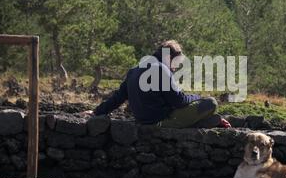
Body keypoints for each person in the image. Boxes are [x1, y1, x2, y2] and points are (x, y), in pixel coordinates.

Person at [83, 40, 231, 128]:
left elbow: (118, 98)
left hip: (142, 120)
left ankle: (205, 121)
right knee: (211, 103)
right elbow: (178, 101)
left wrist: (96, 112)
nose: (176, 66)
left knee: (203, 109)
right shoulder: (161, 69)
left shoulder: (135, 69)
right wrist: (197, 97)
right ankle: (203, 122)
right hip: (159, 122)